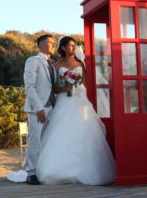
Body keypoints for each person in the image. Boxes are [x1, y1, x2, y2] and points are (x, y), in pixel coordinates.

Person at [36, 36, 116, 185]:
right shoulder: (57, 65)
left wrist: (78, 89)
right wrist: (65, 87)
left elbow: (85, 84)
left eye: (74, 45)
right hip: (64, 100)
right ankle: (58, 170)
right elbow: (53, 87)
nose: (73, 48)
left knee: (84, 133)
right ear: (63, 48)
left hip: (80, 100)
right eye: (70, 46)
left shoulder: (80, 63)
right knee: (62, 133)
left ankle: (86, 170)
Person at [23, 34, 57, 185]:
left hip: (52, 107)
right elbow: (29, 85)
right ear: (41, 45)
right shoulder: (33, 60)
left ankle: (42, 170)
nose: (52, 45)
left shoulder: (52, 64)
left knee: (47, 141)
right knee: (35, 141)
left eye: (53, 43)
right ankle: (31, 173)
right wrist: (39, 108)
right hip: (38, 109)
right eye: (49, 42)